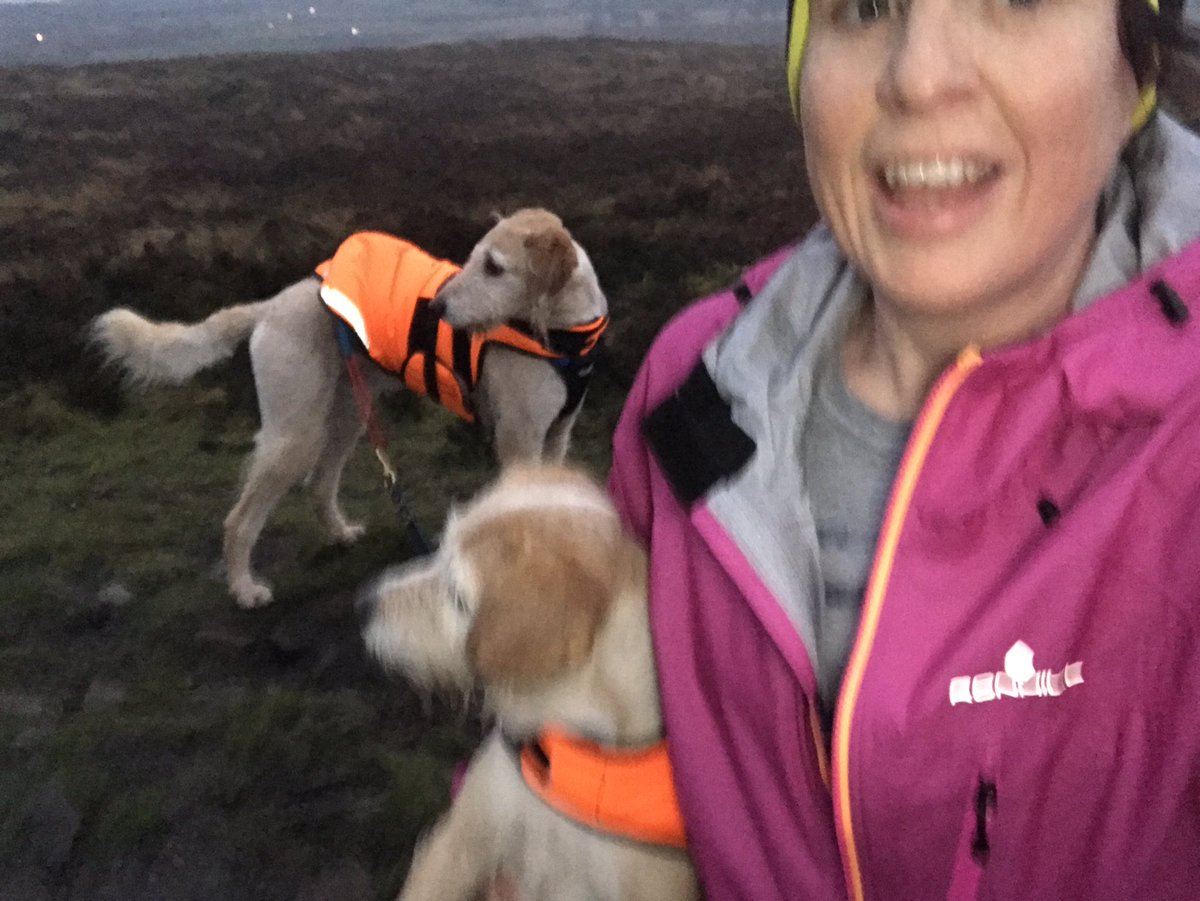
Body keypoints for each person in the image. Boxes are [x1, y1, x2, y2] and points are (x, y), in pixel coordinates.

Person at [607, 0, 1200, 897]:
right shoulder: (691, 393)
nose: (919, 76)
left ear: (1137, 69)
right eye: (868, 6)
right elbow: (581, 761)